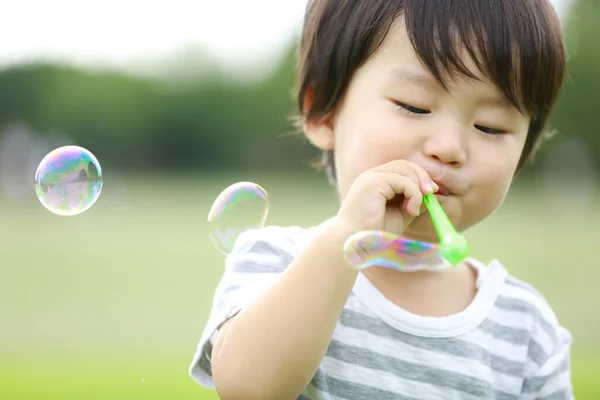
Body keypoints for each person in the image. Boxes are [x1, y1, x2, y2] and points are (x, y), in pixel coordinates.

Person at [190, 0, 573, 399]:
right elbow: (247, 388)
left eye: (490, 127)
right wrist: (348, 237)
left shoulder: (526, 329)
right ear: (324, 114)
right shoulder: (275, 263)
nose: (449, 148)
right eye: (414, 106)